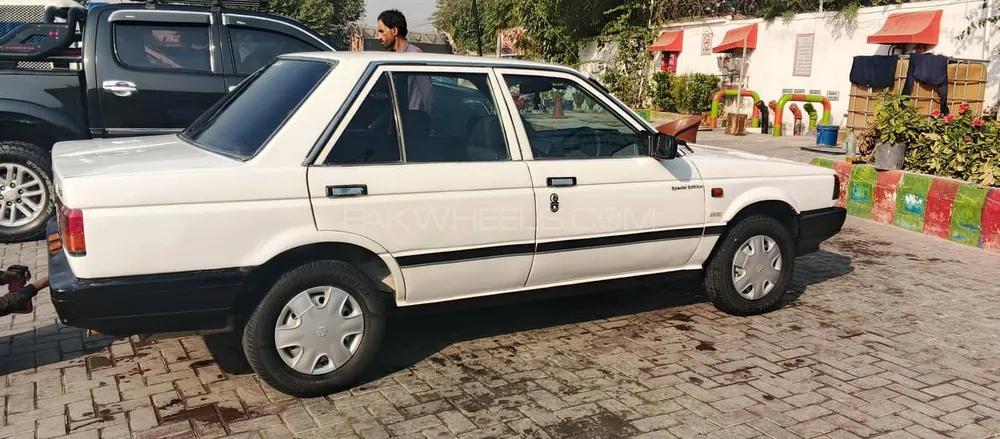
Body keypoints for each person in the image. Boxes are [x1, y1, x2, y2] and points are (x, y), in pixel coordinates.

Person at [377, 9, 433, 112]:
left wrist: (427, 122)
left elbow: (427, 93)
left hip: (412, 120)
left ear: (394, 31)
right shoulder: (391, 58)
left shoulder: (414, 55)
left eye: (381, 31)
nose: (378, 37)